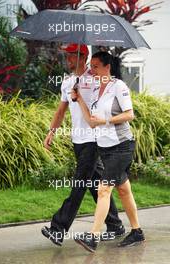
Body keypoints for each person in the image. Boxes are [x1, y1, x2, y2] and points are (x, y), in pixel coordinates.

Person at [41, 44, 125, 246]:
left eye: (71, 55)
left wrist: (82, 93)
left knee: (79, 184)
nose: (68, 59)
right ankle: (115, 225)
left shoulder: (95, 79)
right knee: (95, 184)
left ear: (83, 56)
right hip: (78, 141)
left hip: (93, 140)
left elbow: (106, 104)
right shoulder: (67, 82)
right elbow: (61, 110)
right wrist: (51, 132)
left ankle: (58, 228)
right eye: (67, 55)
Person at [72, 51, 145, 252]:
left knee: (103, 189)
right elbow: (91, 122)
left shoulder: (118, 86)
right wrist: (79, 100)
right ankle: (137, 231)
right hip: (105, 147)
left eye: (95, 66)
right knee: (123, 189)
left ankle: (93, 238)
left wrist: (105, 120)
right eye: (90, 66)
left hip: (121, 146)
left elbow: (130, 115)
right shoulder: (96, 90)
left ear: (107, 66)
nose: (91, 70)